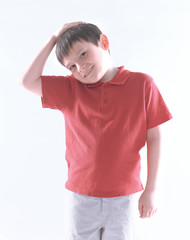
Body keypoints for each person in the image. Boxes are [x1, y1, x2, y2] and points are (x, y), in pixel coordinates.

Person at [21, 21, 172, 240]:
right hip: (80, 197)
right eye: (71, 66)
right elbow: (27, 81)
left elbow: (155, 138)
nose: (80, 68)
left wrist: (152, 190)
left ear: (104, 42)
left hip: (124, 197)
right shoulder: (69, 89)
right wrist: (54, 38)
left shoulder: (143, 85)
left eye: (83, 55)